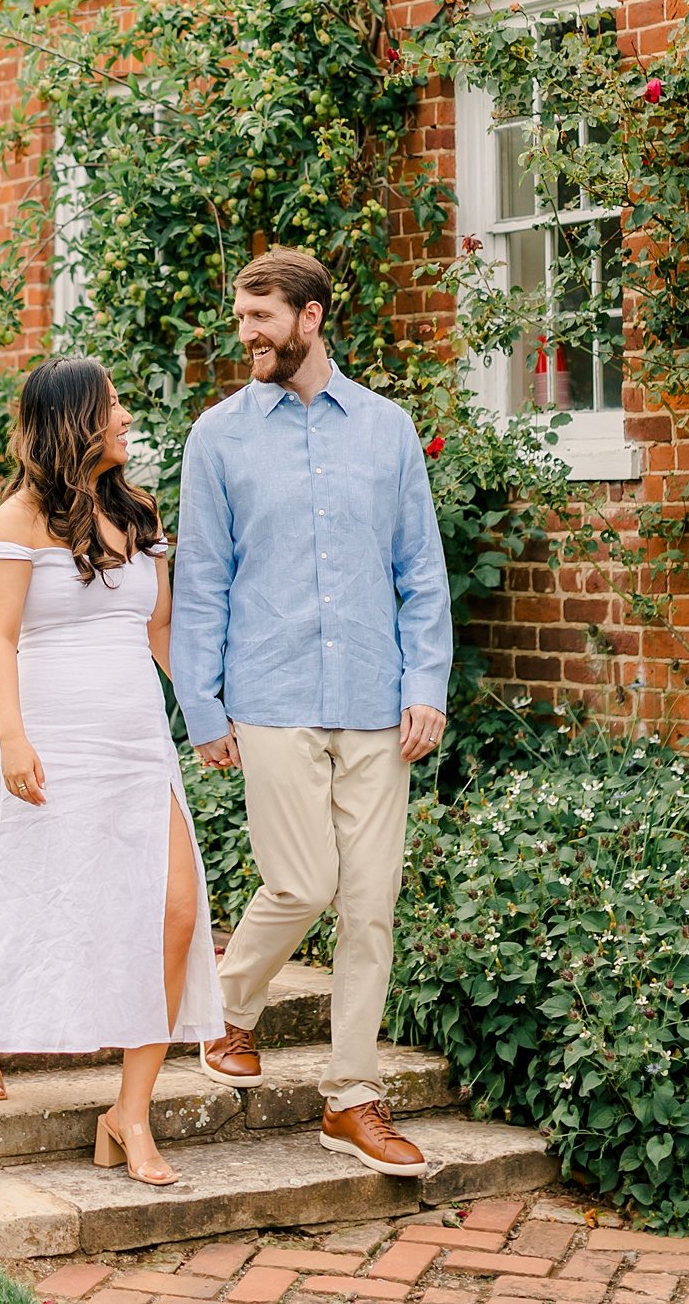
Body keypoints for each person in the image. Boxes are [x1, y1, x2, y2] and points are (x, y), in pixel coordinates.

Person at [171, 246, 452, 1180]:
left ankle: (352, 1098)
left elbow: (421, 571)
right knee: (300, 884)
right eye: (241, 317)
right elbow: (203, 582)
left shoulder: (387, 430)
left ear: (311, 318)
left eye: (261, 318)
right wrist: (202, 705)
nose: (245, 334)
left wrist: (425, 686)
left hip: (378, 699)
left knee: (371, 908)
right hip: (272, 694)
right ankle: (229, 1006)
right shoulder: (218, 438)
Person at [0, 356, 223, 1187]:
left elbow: (160, 630)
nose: (128, 416)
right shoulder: (19, 519)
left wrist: (211, 717)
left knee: (176, 912)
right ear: (76, 422)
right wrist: (13, 740)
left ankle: (128, 1114)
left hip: (139, 745)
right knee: (35, 891)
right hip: (53, 739)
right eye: (114, 406)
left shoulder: (138, 512)